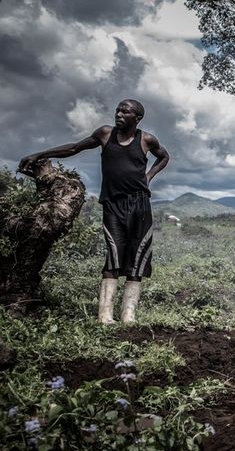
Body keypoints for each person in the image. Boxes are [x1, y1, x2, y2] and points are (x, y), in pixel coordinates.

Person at [18, 99, 169, 324]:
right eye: (118, 109)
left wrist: (148, 177)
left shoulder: (146, 139)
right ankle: (105, 316)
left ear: (137, 118)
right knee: (113, 254)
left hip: (140, 205)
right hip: (112, 204)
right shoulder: (105, 134)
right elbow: (74, 147)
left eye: (125, 111)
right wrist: (39, 154)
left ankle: (128, 317)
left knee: (138, 256)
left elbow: (164, 157)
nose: (119, 114)